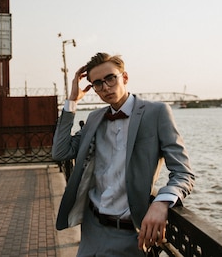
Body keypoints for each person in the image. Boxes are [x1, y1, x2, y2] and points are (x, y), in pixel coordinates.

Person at [52, 53, 195, 256]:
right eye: (98, 83)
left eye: (111, 78)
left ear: (124, 78)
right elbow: (60, 152)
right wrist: (72, 101)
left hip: (131, 235)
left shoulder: (156, 113)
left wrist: (162, 201)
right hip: (91, 227)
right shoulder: (94, 118)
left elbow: (184, 173)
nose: (105, 87)